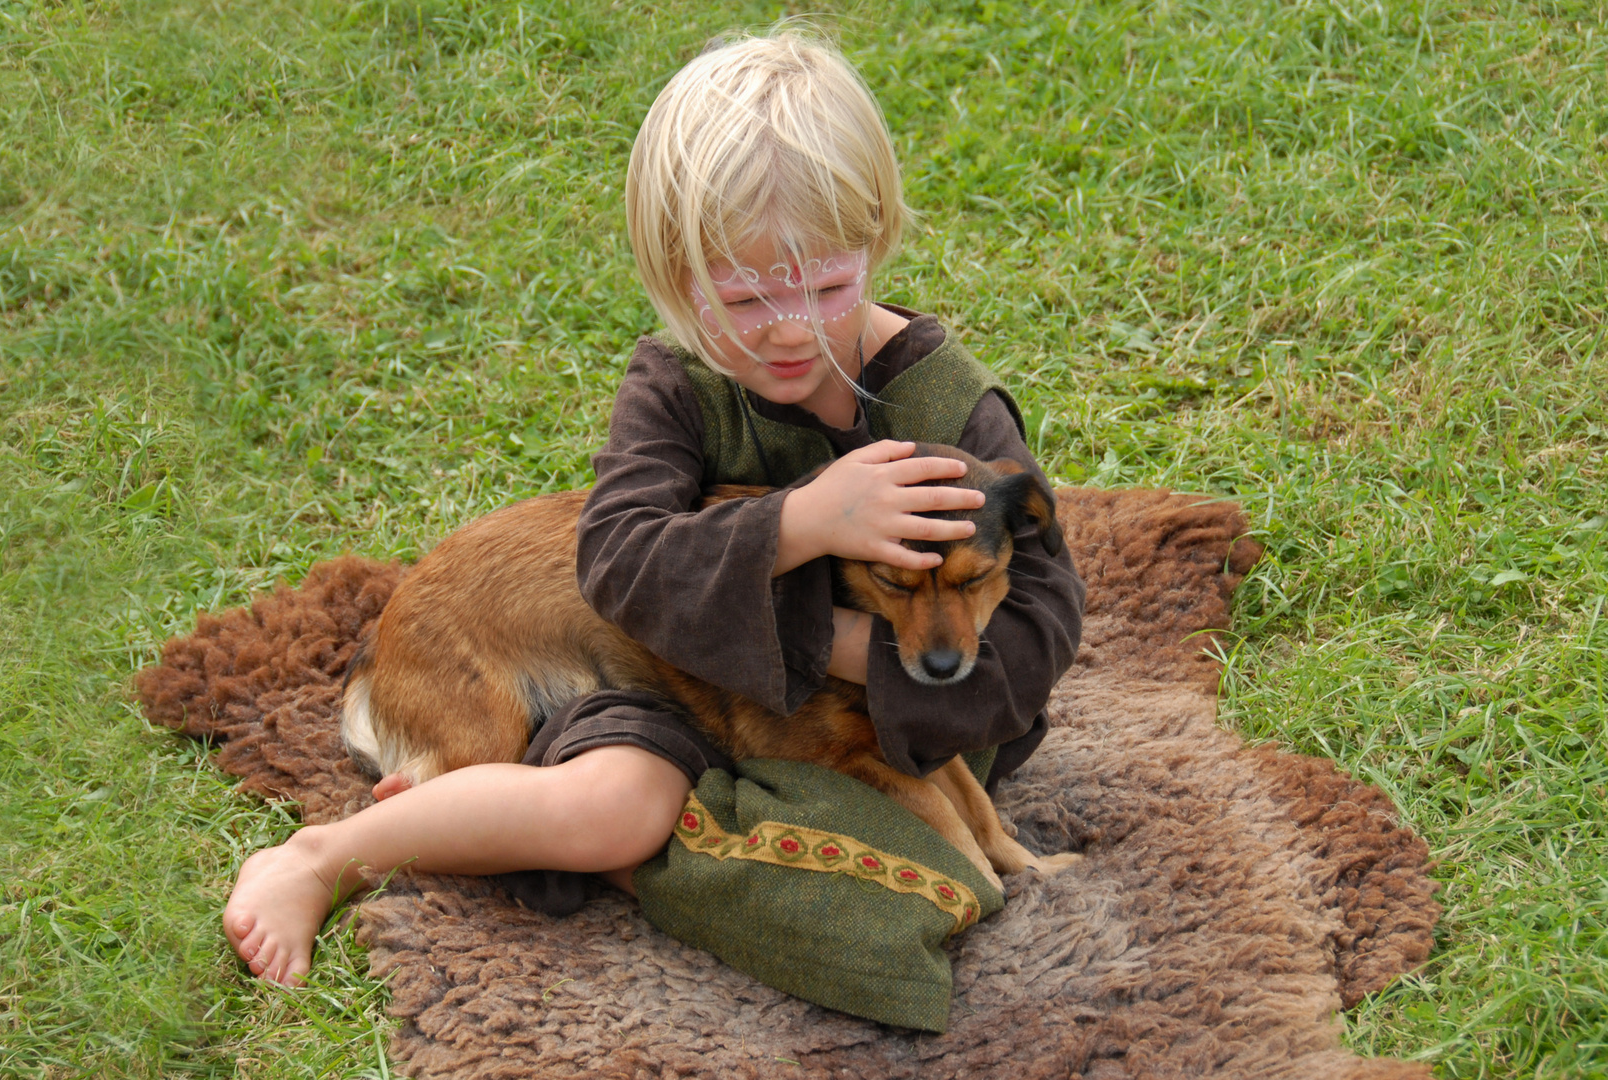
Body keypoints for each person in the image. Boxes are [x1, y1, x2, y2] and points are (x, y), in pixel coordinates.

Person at [222, 29, 1084, 988]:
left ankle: (566, 838)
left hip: (871, 725)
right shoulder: (677, 386)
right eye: (748, 296)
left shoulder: (955, 411)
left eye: (828, 284)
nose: (793, 326)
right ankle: (333, 853)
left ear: (876, 244)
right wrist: (805, 524)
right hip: (645, 691)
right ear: (679, 277)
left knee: (906, 896)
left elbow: (1039, 635)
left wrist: (857, 649)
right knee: (623, 811)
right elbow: (620, 563)